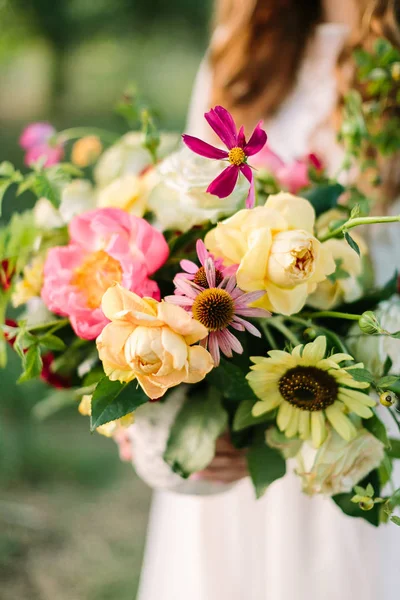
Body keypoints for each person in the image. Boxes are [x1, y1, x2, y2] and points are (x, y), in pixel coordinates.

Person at [134, 1, 400, 598]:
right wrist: (154, 414)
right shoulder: (244, 46)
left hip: (365, 403)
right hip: (238, 407)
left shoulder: (390, 66)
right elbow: (180, 219)